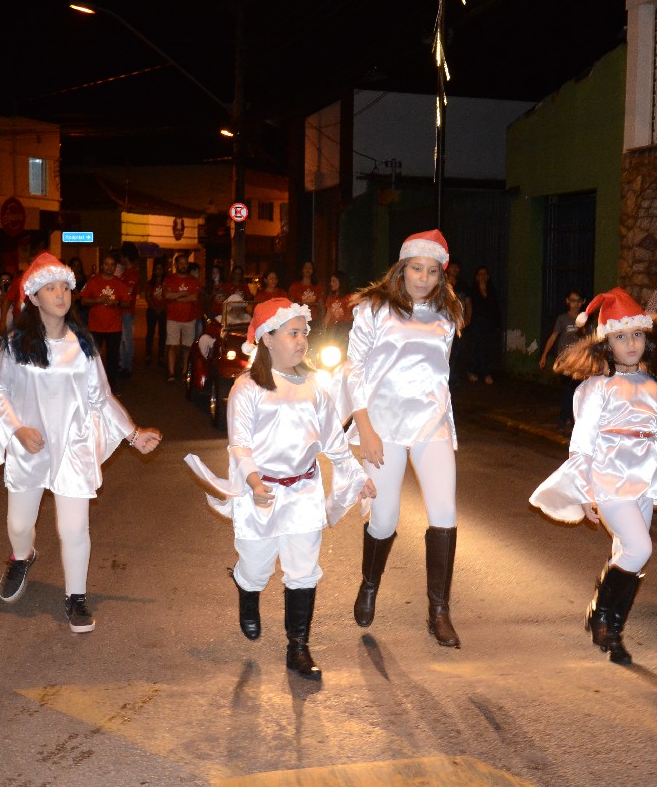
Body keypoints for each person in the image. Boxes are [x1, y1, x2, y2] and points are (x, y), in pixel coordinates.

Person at [0, 252, 162, 634]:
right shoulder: (15, 344)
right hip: (29, 447)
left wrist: (134, 434)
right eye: (50, 287)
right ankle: (22, 556)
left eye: (65, 286)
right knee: (19, 524)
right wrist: (18, 429)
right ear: (33, 297)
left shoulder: (83, 347)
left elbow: (102, 397)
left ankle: (76, 598)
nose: (60, 294)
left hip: (73, 446)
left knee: (74, 530)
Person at [529, 288, 657, 664]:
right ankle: (601, 615)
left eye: (636, 335)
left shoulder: (654, 387)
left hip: (645, 483)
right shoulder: (594, 389)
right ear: (606, 345)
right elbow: (582, 446)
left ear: (646, 339)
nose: (630, 343)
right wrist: (585, 492)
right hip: (608, 480)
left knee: (626, 552)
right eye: (620, 337)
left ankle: (612, 630)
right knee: (640, 549)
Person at [184, 299, 376, 679]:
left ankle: (298, 648)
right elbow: (239, 444)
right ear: (267, 339)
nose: (303, 340)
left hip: (303, 492)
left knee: (302, 571)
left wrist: (357, 476)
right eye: (293, 332)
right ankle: (247, 590)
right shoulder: (247, 387)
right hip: (262, 495)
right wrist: (254, 481)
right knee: (257, 568)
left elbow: (334, 444)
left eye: (305, 332)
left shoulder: (315, 388)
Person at [339, 230, 466, 648]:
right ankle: (370, 583)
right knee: (386, 517)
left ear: (441, 273)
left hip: (432, 424)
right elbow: (353, 368)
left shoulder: (448, 314)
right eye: (416, 268)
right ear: (402, 267)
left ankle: (439, 611)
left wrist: (443, 420)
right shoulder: (375, 308)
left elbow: (439, 373)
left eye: (432, 271)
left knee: (444, 513)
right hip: (383, 424)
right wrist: (365, 427)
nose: (423, 277)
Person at [80, 252, 130, 393]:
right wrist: (97, 300)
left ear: (115, 267)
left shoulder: (119, 283)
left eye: (112, 265)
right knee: (95, 357)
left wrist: (117, 302)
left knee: (113, 358)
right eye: (106, 264)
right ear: (102, 266)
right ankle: (94, 386)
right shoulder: (93, 281)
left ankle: (111, 386)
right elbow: (83, 300)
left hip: (114, 327)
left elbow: (127, 302)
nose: (109, 267)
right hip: (95, 326)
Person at [539, 289, 586, 431]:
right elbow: (554, 336)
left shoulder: (585, 319)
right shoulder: (562, 319)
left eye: (578, 301)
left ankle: (575, 419)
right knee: (568, 389)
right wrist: (544, 355)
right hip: (566, 360)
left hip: (580, 360)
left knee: (579, 389)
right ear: (567, 301)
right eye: (572, 301)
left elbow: (590, 339)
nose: (575, 304)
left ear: (583, 302)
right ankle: (564, 418)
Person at [164, 252, 203, 383]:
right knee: (172, 345)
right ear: (175, 265)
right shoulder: (170, 279)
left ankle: (185, 370)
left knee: (187, 346)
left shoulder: (193, 281)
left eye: (185, 263)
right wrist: (185, 293)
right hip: (173, 318)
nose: (183, 265)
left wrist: (177, 295)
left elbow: (194, 297)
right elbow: (167, 295)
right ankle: (171, 373)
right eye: (180, 263)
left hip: (189, 319)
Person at [464, 266, 501, 385]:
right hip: (477, 323)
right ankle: (486, 373)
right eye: (480, 274)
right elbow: (470, 306)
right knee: (480, 346)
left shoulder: (491, 290)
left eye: (485, 274)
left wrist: (497, 324)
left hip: (489, 323)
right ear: (476, 277)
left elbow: (495, 308)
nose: (483, 276)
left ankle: (471, 370)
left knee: (485, 347)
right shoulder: (472, 291)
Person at [117, 243, 141, 379]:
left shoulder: (132, 273)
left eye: (121, 255)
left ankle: (127, 365)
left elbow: (128, 293)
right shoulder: (123, 272)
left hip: (127, 311)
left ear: (125, 256)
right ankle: (122, 364)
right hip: (120, 311)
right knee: (121, 340)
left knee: (127, 339)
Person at [322, 270, 355, 350]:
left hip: (344, 329)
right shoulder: (331, 297)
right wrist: (324, 330)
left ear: (341, 281)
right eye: (331, 281)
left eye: (334, 281)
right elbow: (328, 315)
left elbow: (353, 315)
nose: (331, 283)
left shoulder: (350, 297)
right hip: (333, 330)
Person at [143, 263, 166, 366]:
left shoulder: (166, 283)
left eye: (161, 268)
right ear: (154, 271)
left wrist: (161, 308)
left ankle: (161, 356)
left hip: (163, 311)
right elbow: (148, 297)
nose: (159, 271)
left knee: (162, 334)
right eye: (157, 269)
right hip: (152, 311)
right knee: (150, 333)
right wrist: (155, 308)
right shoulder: (150, 283)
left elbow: (168, 298)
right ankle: (148, 354)